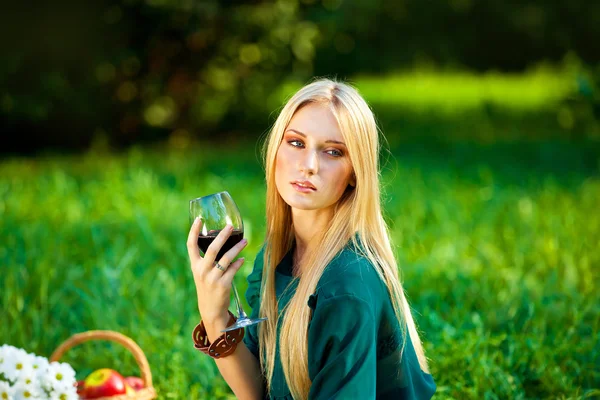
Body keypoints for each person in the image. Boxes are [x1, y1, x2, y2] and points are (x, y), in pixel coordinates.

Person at [186, 78, 436, 399]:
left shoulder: (347, 287)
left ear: (354, 174)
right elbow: (257, 392)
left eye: (333, 152)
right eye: (296, 143)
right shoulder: (279, 255)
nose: (309, 166)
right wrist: (214, 314)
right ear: (275, 149)